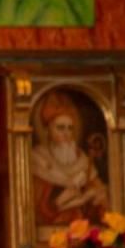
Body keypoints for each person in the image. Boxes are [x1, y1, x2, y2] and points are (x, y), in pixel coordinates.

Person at [31, 91, 109, 225]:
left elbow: (100, 202)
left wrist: (95, 197)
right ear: (48, 130)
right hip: (50, 230)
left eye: (70, 128)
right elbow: (34, 204)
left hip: (82, 229)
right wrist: (62, 201)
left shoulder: (83, 159)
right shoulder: (38, 158)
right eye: (60, 128)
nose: (67, 134)